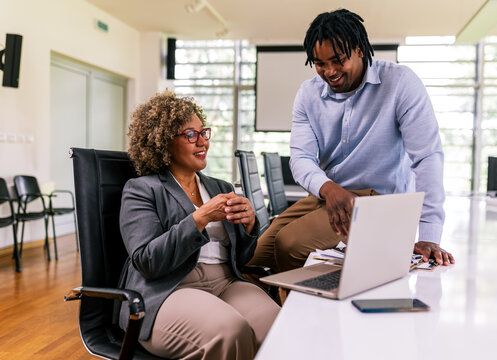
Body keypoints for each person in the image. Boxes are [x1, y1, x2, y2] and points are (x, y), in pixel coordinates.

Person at [248, 9, 454, 273]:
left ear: (359, 50)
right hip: (330, 196)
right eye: (320, 64)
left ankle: (303, 309)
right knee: (254, 256)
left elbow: (427, 158)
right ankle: (275, 307)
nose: (329, 71)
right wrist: (329, 189)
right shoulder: (308, 95)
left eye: (338, 60)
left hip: (379, 202)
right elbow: (301, 159)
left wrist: (429, 236)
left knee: (289, 244)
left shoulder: (401, 84)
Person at [118, 90, 280, 360]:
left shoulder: (220, 187)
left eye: (203, 132)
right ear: (163, 142)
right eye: (190, 135)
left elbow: (241, 258)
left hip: (226, 281)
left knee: (277, 324)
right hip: (170, 288)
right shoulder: (141, 189)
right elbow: (147, 260)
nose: (202, 141)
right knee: (230, 331)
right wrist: (200, 218)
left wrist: (249, 227)